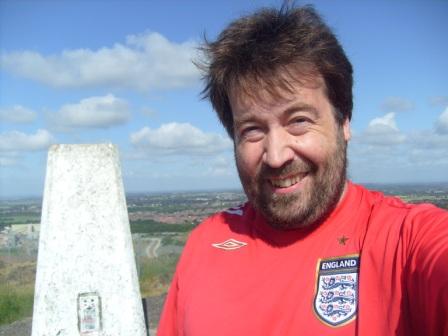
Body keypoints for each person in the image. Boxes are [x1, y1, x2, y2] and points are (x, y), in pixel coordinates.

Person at [157, 4, 448, 336]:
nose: (276, 156)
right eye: (252, 130)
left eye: (298, 121)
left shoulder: (406, 240)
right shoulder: (206, 244)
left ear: (344, 122)